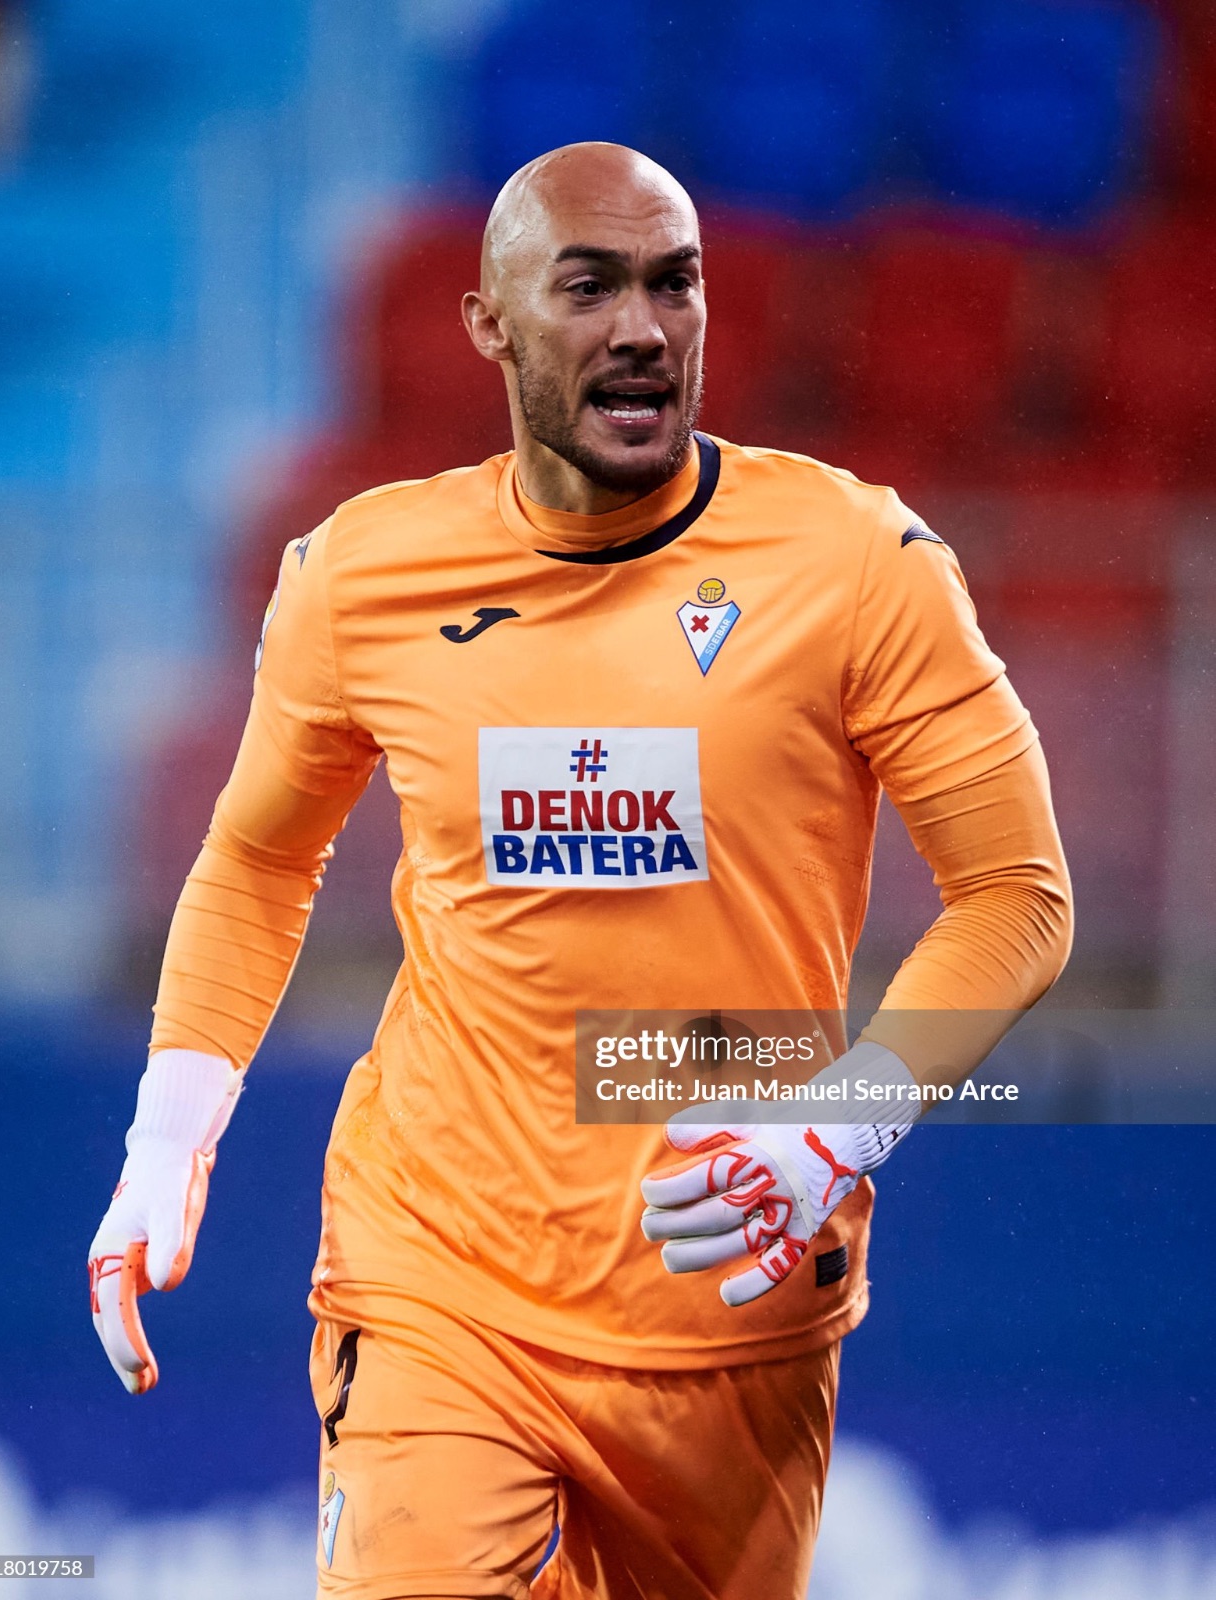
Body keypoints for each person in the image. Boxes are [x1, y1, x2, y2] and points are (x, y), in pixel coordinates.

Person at [88, 143, 1072, 1598]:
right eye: (589, 284)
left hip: (725, 1290)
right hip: (438, 1273)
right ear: (489, 321)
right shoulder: (364, 577)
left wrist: (832, 1130)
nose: (640, 327)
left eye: (674, 285)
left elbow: (1017, 899)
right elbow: (255, 856)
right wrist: (166, 1140)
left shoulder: (854, 562)